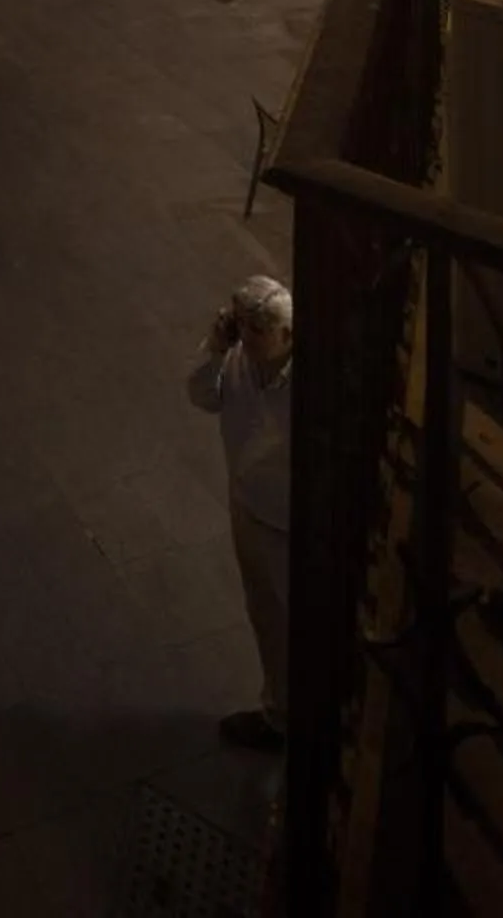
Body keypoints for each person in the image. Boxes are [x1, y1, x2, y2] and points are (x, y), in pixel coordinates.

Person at [186, 274, 293, 748]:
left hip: (290, 525)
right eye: (241, 328)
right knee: (266, 616)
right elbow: (201, 395)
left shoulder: (307, 383)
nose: (246, 341)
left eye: (257, 332)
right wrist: (213, 346)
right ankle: (280, 713)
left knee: (296, 623)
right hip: (248, 507)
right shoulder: (237, 361)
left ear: (286, 335)